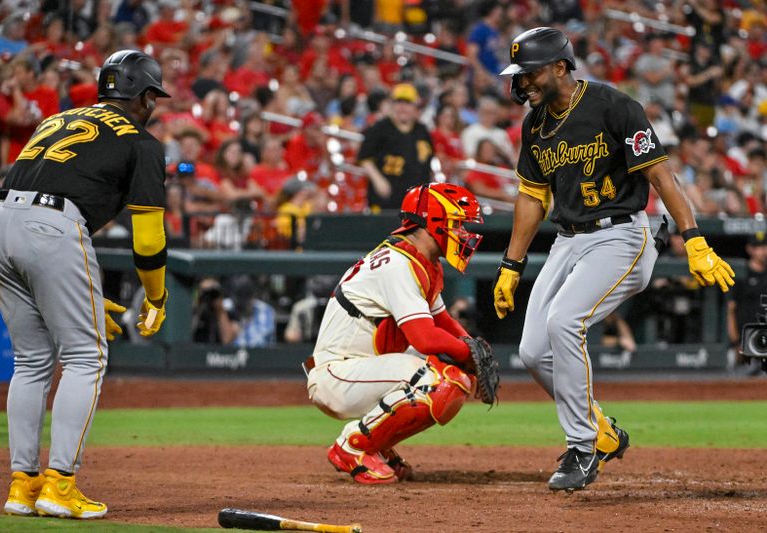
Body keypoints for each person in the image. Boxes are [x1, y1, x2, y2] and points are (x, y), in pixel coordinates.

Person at [494, 27, 736, 493]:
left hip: (621, 236)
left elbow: (663, 178)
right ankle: (601, 430)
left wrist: (695, 239)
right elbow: (530, 198)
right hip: (567, 240)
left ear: (560, 67)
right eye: (519, 75)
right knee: (530, 351)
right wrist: (511, 265)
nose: (521, 83)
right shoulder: (535, 125)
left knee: (564, 322)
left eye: (529, 73)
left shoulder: (614, 106)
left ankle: (583, 447)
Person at [0, 50, 171, 519]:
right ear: (144, 96)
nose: (155, 106)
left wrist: (69, 290)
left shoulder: (58, 119)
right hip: (52, 228)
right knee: (87, 355)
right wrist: (156, 295)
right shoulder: (141, 141)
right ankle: (60, 485)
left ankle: (23, 484)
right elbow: (147, 238)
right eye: (153, 96)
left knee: (31, 361)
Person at [306, 183, 495, 484]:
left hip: (360, 367)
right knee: (438, 382)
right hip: (337, 375)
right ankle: (354, 446)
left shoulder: (421, 260)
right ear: (433, 222)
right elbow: (426, 338)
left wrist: (470, 352)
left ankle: (376, 444)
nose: (463, 232)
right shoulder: (398, 263)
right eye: (457, 224)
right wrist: (469, 354)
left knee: (455, 377)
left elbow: (442, 320)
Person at [357, 83, 433, 210]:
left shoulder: (422, 131)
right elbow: (364, 157)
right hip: (386, 199)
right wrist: (378, 181)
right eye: (399, 102)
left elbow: (427, 163)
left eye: (407, 103)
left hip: (415, 200)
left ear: (415, 106)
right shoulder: (379, 128)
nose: (402, 107)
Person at [727, 231, 767, 375]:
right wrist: (735, 342)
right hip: (744, 343)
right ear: (750, 249)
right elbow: (730, 310)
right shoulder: (741, 274)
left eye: (765, 246)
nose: (763, 251)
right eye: (758, 247)